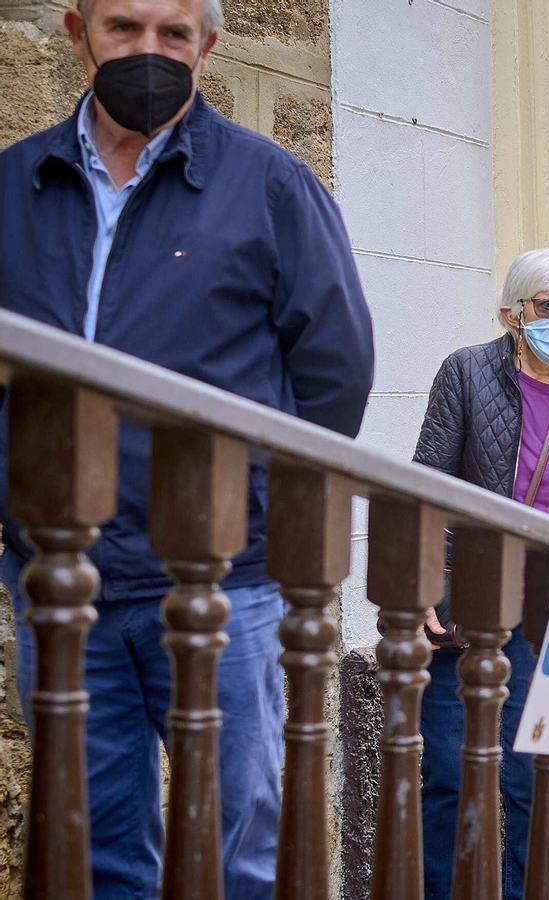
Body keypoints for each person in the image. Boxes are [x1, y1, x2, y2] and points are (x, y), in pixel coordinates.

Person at [0, 2, 374, 897]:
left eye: (174, 35)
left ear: (209, 46)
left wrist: (252, 506)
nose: (149, 52)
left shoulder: (272, 186)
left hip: (223, 580)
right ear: (76, 31)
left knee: (239, 849)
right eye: (125, 29)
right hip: (59, 580)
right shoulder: (15, 187)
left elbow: (335, 372)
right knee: (94, 850)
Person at [411, 249, 549, 898]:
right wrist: (423, 589)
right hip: (462, 601)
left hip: (542, 613)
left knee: (529, 779)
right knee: (447, 772)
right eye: (548, 306)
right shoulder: (465, 374)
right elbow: (428, 487)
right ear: (512, 314)